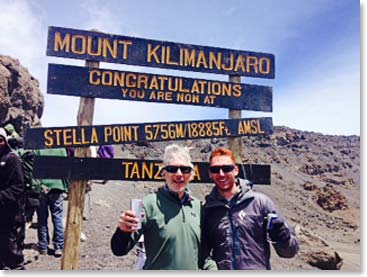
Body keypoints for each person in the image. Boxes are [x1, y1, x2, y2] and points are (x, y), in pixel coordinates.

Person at [110, 144, 217, 270]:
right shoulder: (148, 205)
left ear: (192, 175)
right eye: (172, 169)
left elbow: (202, 256)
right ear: (163, 174)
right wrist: (123, 231)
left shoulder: (198, 208)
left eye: (185, 169)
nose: (179, 174)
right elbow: (119, 250)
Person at [202, 147, 299, 270]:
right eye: (215, 169)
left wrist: (281, 236)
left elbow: (290, 251)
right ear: (210, 173)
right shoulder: (207, 210)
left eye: (227, 168)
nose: (221, 174)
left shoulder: (261, 203)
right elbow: (203, 255)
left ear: (236, 170)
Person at [34, 148, 68, 257]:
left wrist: (37, 186)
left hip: (42, 187)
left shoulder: (38, 148)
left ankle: (43, 246)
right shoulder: (61, 149)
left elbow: (34, 168)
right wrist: (66, 187)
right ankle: (59, 247)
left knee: (42, 218)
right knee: (57, 217)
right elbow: (65, 169)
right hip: (57, 186)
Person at [0, 127, 25, 270]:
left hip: (11, 215)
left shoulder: (12, 159)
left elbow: (18, 188)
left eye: (0, 140)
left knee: (13, 255)